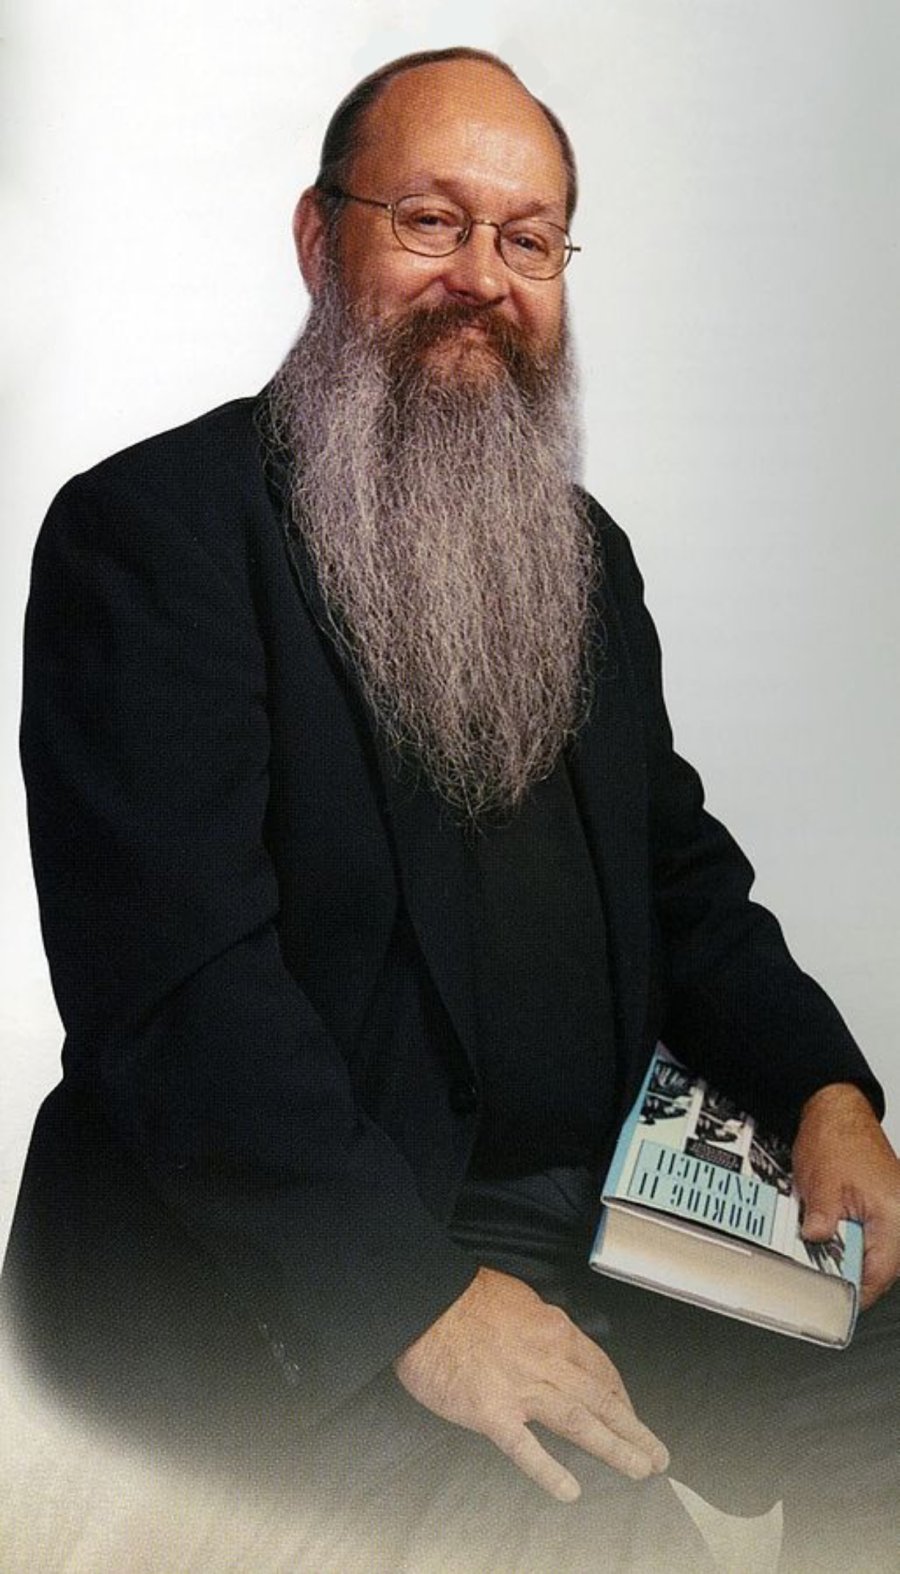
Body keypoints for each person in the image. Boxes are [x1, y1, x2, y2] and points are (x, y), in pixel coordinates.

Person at [5, 46, 899, 1573]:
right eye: (431, 220)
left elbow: (677, 876)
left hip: (608, 1223)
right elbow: (181, 999)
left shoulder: (582, 556)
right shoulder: (149, 537)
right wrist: (413, 1301)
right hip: (297, 1278)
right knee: (597, 1540)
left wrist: (826, 1090)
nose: (484, 277)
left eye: (528, 239)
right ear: (318, 238)